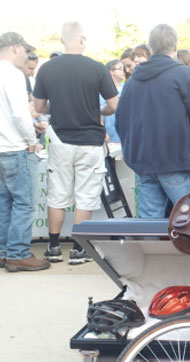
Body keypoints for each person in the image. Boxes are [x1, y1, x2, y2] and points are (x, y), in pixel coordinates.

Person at [33, 22, 119, 265]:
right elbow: (114, 105)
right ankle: (79, 248)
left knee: (57, 195)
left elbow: (38, 107)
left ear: (62, 40)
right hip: (90, 141)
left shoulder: (47, 68)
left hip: (60, 140)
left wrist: (59, 109)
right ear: (82, 39)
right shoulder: (97, 67)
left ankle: (53, 246)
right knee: (85, 196)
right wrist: (96, 110)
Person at [116, 24, 190, 218]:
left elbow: (120, 122)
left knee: (150, 225)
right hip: (177, 161)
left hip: (145, 162)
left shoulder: (133, 81)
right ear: (175, 46)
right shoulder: (185, 76)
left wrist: (133, 155)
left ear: (151, 47)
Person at [0, 32, 50, 272]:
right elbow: (20, 114)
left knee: (3, 203)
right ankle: (18, 253)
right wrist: (32, 139)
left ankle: (4, 251)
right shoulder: (12, 74)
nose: (26, 57)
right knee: (23, 203)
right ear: (15, 48)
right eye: (25, 51)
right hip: (16, 147)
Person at [103, 59, 125, 143]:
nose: (124, 71)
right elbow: (98, 113)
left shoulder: (127, 88)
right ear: (111, 71)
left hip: (126, 134)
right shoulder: (102, 90)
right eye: (120, 69)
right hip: (110, 136)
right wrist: (103, 132)